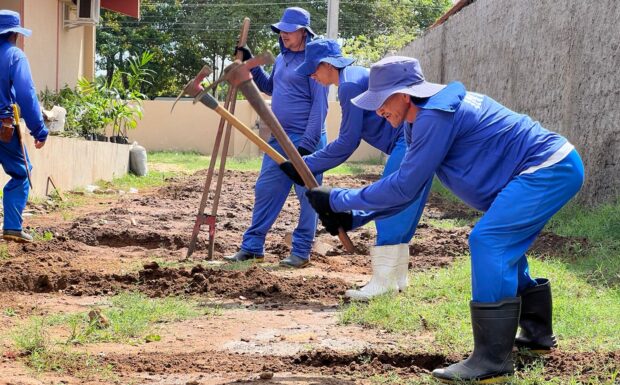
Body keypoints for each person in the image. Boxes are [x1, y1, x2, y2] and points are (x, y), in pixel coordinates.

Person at [305, 56, 584, 383]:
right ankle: (537, 336)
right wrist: (354, 218)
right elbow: (409, 189)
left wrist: (338, 198)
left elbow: (402, 185)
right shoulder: (418, 120)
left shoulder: (434, 116)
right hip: (542, 169)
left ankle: (491, 359)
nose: (377, 111)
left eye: (381, 102)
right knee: (503, 245)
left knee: (489, 240)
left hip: (548, 168)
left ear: (405, 94)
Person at [279, 38, 431, 299]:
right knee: (402, 207)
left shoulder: (348, 85)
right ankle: (396, 280)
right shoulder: (355, 76)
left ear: (328, 65)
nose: (312, 76)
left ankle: (382, 284)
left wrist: (305, 164)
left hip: (406, 142)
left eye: (313, 69)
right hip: (415, 140)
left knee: (390, 204)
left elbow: (347, 142)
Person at [224, 7, 328, 268]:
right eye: (281, 30)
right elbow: (271, 87)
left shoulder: (315, 61)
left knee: (308, 198)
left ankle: (302, 251)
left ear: (304, 32)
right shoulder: (282, 59)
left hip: (307, 140)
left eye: (289, 31)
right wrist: (251, 65)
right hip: (278, 139)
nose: (283, 34)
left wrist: (307, 146)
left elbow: (320, 107)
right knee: (265, 189)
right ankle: (252, 247)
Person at [0, 10, 48, 243]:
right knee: (21, 173)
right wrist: (39, 130)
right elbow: (26, 95)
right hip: (3, 128)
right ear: (14, 34)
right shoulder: (15, 56)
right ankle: (11, 227)